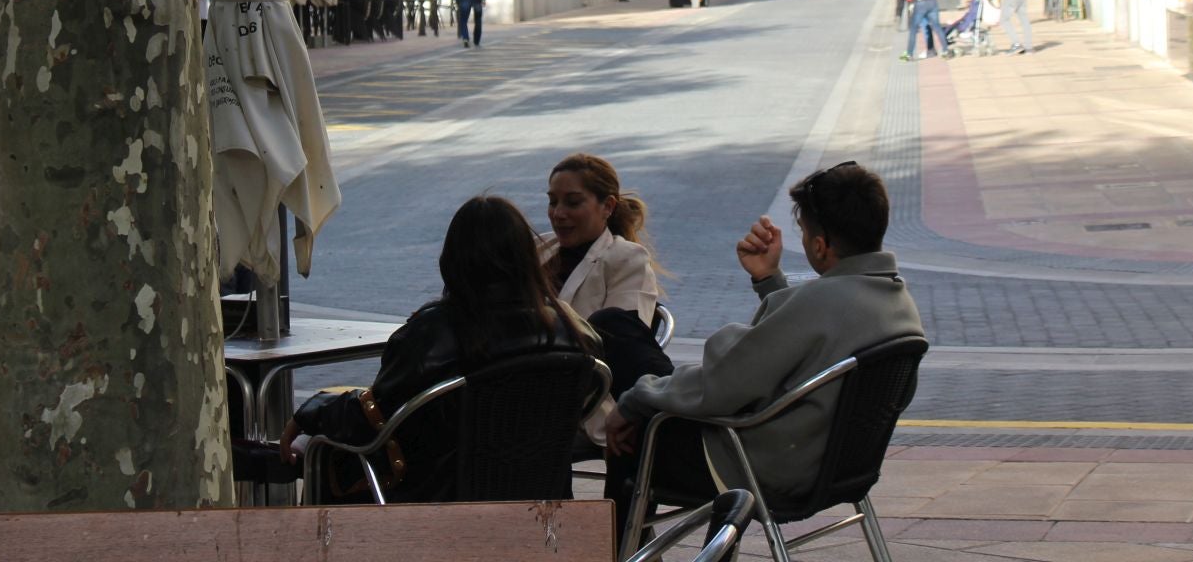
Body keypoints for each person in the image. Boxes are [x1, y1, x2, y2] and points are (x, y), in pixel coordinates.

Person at [604, 163, 923, 534]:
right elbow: (813, 346)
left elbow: (722, 388)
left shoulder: (819, 302)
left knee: (633, 418)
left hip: (762, 470)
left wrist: (633, 401)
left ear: (820, 245)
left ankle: (619, 548)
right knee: (649, 377)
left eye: (803, 232)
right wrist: (769, 281)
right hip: (834, 470)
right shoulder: (898, 303)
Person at [270, 196, 599, 502]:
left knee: (326, 453)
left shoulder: (434, 331)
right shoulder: (570, 330)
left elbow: (374, 416)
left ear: (453, 259)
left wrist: (313, 411)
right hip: (541, 500)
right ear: (527, 256)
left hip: (437, 500)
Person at [540, 154, 670, 439]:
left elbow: (618, 347)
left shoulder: (626, 259)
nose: (558, 213)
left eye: (572, 203)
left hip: (589, 401)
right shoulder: (541, 248)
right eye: (553, 201)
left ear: (607, 206)